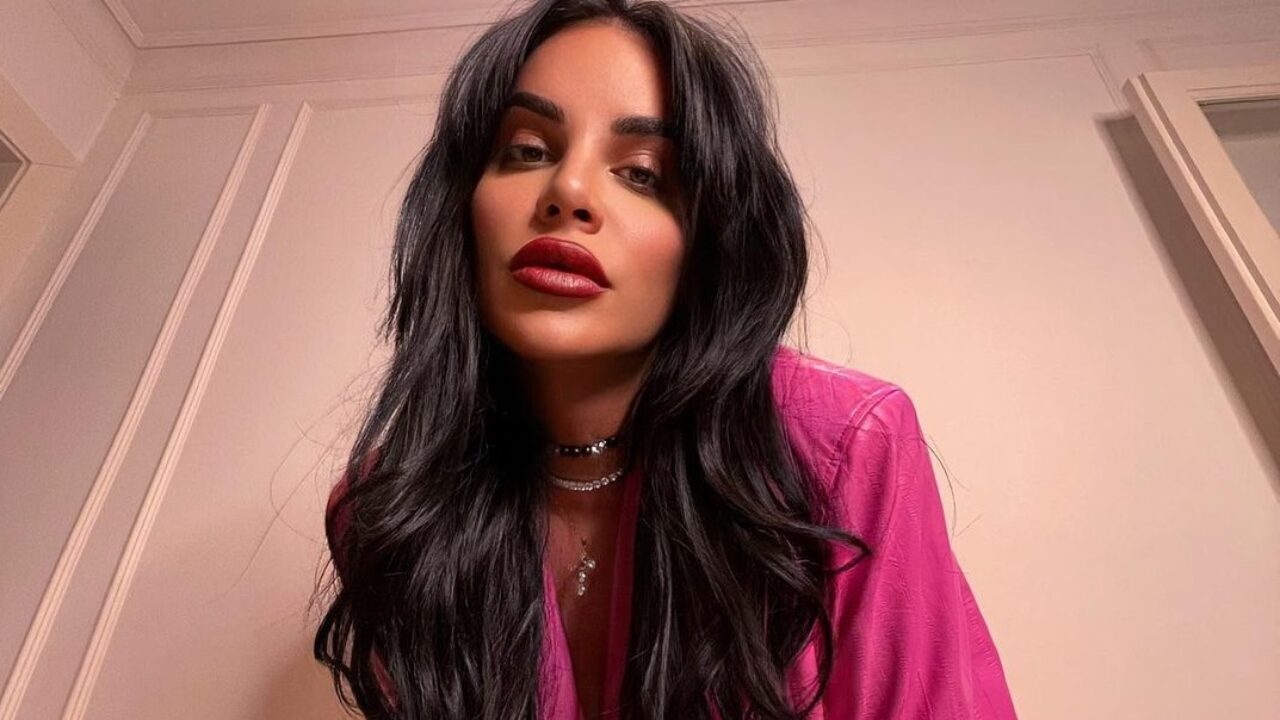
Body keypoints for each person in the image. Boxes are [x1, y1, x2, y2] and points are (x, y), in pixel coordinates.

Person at [313, 1, 1019, 718]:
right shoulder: (391, 509)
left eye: (643, 173)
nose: (569, 191)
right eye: (527, 150)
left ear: (711, 239)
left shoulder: (843, 443)